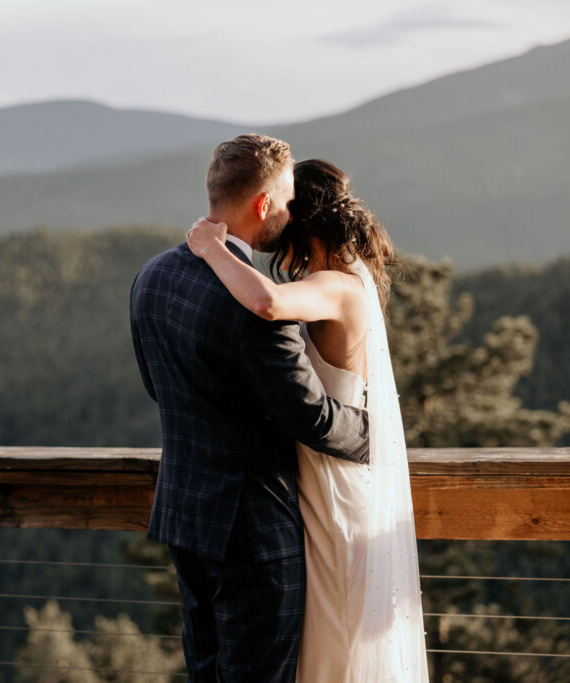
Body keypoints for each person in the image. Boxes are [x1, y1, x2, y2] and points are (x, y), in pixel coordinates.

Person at [129, 134, 371, 682]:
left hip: (185, 518)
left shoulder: (150, 278)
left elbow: (156, 385)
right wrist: (376, 436)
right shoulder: (257, 309)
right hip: (253, 532)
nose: (290, 214)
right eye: (285, 202)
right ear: (263, 204)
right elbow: (309, 416)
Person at [187, 158, 429, 682]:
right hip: (320, 479)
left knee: (333, 634)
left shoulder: (338, 286)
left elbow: (268, 303)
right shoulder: (341, 280)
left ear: (302, 219)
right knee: (323, 635)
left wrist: (210, 248)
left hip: (333, 488)